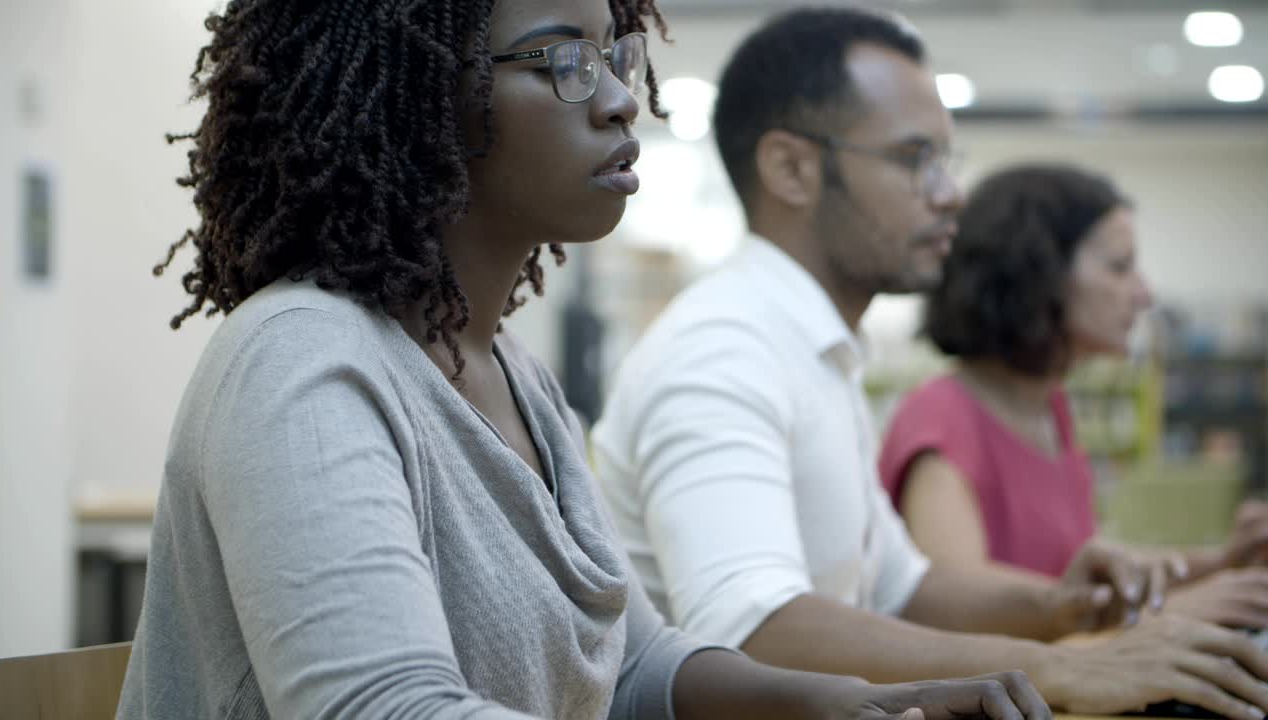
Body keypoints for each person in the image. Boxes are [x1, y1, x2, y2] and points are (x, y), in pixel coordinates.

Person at [114, 1, 1052, 719]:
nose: (617, 97)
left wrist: (840, 699)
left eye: (616, 53)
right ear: (419, 90)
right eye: (564, 58)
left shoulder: (516, 375)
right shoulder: (306, 360)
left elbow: (633, 666)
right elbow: (388, 711)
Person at [591, 6, 1268, 719]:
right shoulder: (722, 351)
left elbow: (903, 585)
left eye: (946, 161)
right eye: (915, 159)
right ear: (791, 167)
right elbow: (758, 631)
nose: (949, 195)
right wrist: (1062, 665)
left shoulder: (812, 352)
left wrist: (1064, 605)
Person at [878, 163, 1268, 630]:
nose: (1144, 294)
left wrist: (1225, 562)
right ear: (1037, 276)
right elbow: (952, 604)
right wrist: (1142, 615)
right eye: (1120, 267)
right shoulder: (941, 418)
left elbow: (1072, 575)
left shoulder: (1051, 409)